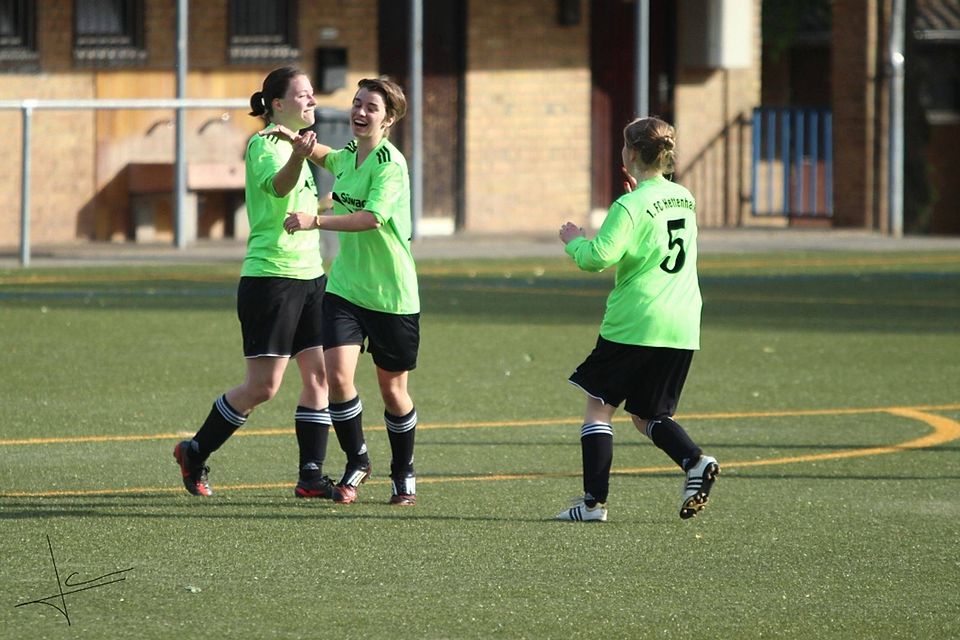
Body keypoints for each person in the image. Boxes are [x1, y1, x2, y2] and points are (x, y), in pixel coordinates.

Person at [173, 66, 335, 500]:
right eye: (302, 95)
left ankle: (311, 477)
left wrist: (327, 204)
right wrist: (299, 156)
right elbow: (278, 190)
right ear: (277, 104)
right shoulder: (264, 144)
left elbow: (295, 205)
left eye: (312, 93)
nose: (311, 101)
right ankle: (195, 450)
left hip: (311, 276)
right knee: (263, 387)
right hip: (272, 279)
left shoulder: (302, 146)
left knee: (319, 378)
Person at [555, 116, 719, 522]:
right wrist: (636, 202)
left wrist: (574, 239)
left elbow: (598, 258)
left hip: (637, 320)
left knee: (599, 406)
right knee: (649, 416)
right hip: (682, 323)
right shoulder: (684, 197)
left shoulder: (629, 205)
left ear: (629, 153)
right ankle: (694, 462)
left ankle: (593, 503)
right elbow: (656, 229)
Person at [279, 77, 420, 506]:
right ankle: (358, 459)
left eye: (371, 107)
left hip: (391, 295)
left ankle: (403, 473)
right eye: (357, 104)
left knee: (393, 392)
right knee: (337, 376)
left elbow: (373, 218)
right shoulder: (351, 156)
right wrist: (295, 139)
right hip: (344, 289)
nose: (359, 112)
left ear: (389, 118)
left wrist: (315, 220)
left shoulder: (389, 165)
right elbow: (329, 158)